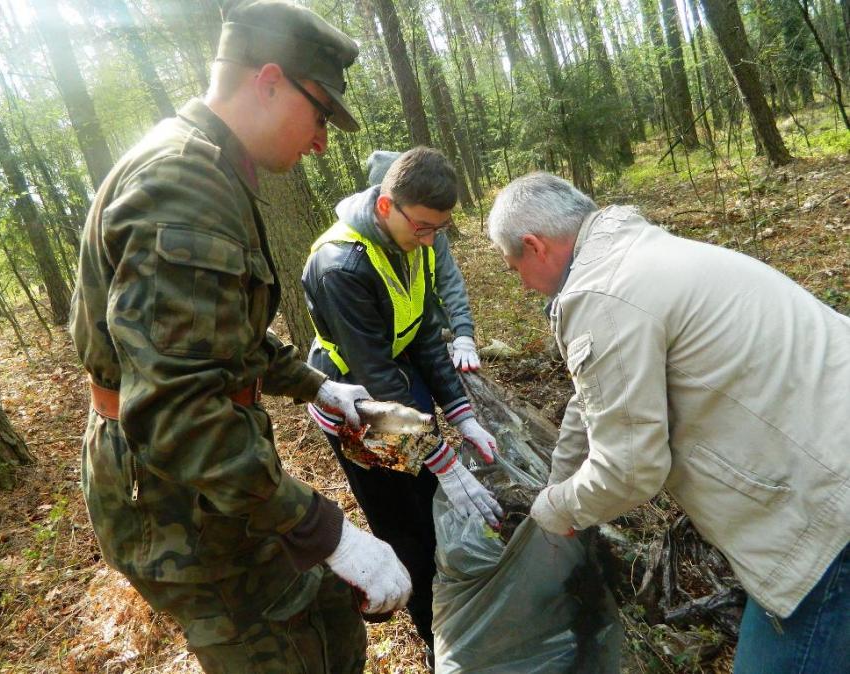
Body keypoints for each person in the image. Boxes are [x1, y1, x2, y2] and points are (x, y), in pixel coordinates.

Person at [68, 2, 413, 672]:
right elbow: (175, 408)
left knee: (328, 626)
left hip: (208, 480)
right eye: (321, 115)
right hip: (181, 503)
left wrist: (316, 385)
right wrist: (328, 531)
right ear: (270, 82)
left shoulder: (206, 166)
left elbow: (215, 336)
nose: (321, 142)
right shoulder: (184, 183)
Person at [487, 172, 850, 674]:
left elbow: (630, 470)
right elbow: (590, 401)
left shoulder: (601, 296)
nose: (523, 285)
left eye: (516, 270)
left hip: (826, 505)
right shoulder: (632, 255)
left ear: (535, 245)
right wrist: (557, 484)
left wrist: (556, 509)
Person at [302, 147, 502, 657]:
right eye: (424, 227)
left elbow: (426, 335)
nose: (431, 239)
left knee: (431, 503)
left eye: (440, 229)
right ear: (387, 206)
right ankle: (439, 641)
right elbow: (375, 379)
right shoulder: (340, 266)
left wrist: (461, 416)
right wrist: (444, 459)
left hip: (397, 383)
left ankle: (460, 614)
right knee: (403, 524)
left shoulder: (413, 242)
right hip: (354, 407)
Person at [366, 150, 481, 371]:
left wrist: (463, 333)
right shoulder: (358, 249)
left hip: (428, 334)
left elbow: (449, 280)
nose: (428, 239)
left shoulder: (431, 231)